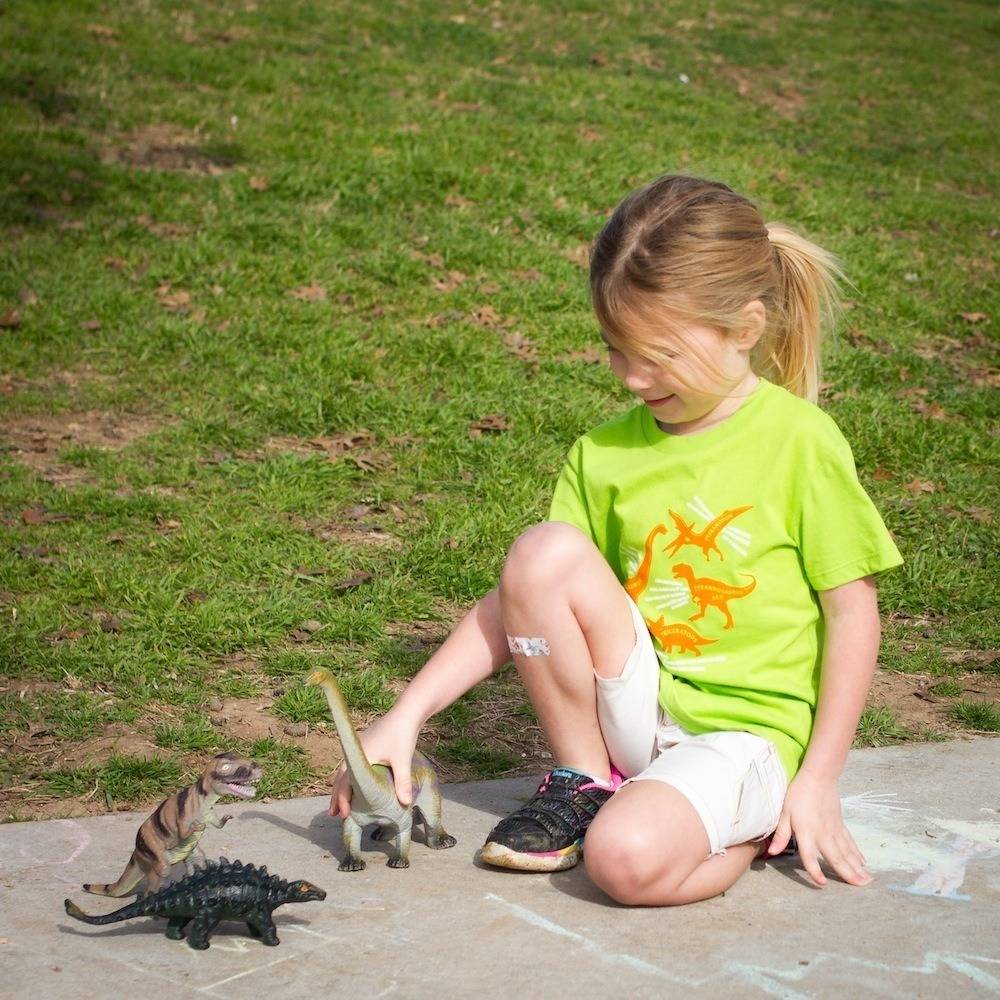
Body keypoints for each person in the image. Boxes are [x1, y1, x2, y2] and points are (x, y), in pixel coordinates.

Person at [328, 173, 903, 906]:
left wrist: (817, 779)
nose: (632, 377)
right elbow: (517, 601)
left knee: (622, 863)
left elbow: (852, 613)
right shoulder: (602, 454)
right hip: (639, 711)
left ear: (745, 329)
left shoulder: (802, 443)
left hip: (744, 737)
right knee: (541, 552)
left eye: (658, 354)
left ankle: (754, 823)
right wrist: (404, 715)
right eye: (616, 349)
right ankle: (586, 781)